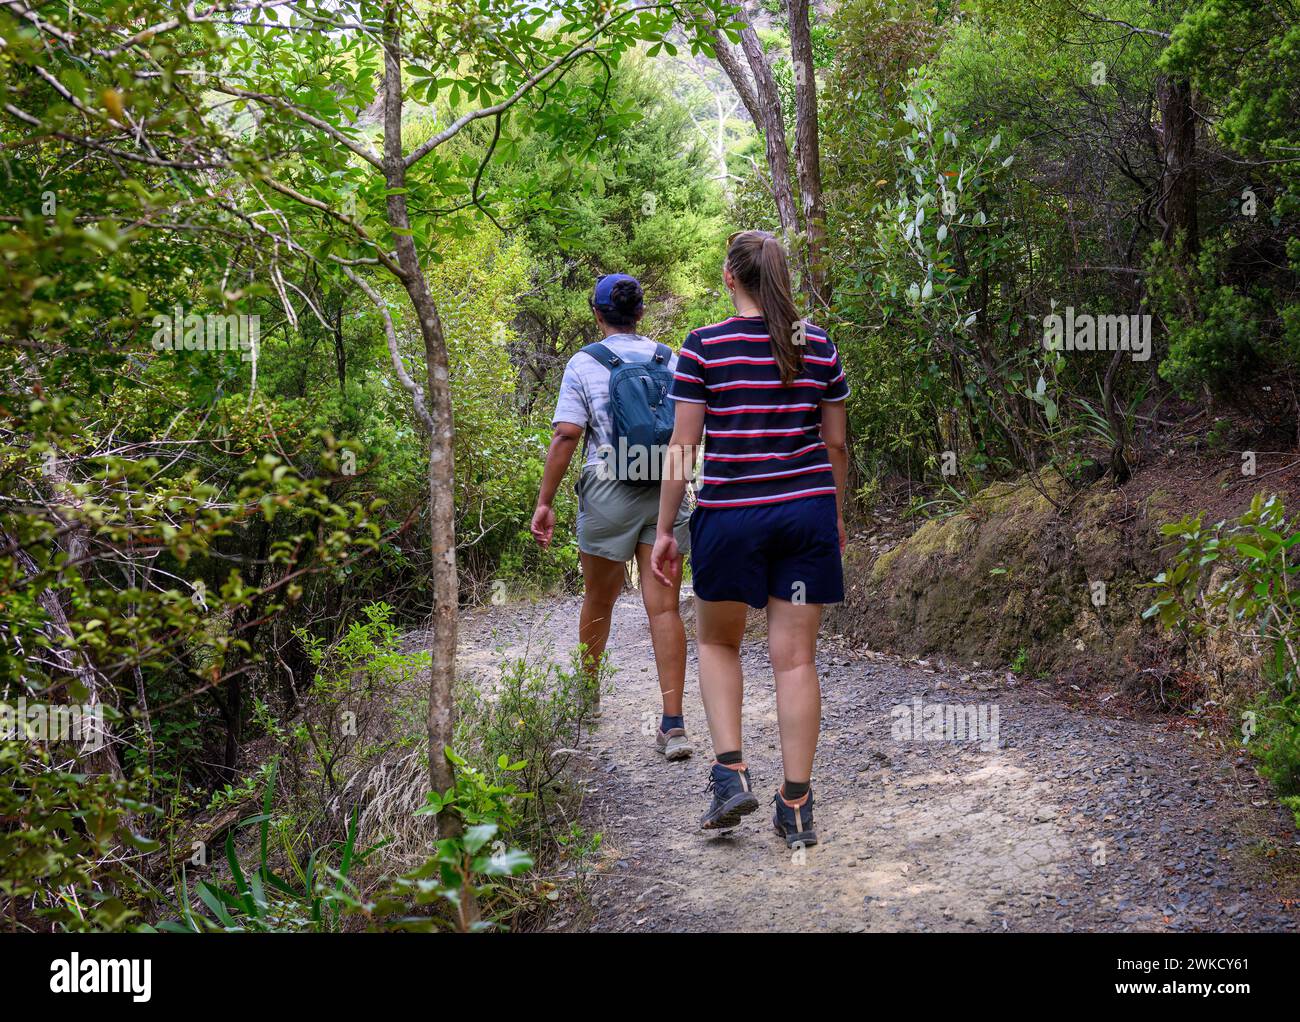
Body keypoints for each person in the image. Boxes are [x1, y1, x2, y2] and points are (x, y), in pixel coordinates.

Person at [650, 231, 849, 848]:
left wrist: (664, 529)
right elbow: (836, 445)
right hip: (805, 515)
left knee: (718, 642)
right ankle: (796, 804)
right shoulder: (817, 344)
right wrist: (833, 512)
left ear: (730, 277)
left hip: (731, 516)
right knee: (795, 660)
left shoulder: (705, 345)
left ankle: (730, 771)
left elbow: (683, 447)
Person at [531, 273, 695, 760]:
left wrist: (545, 501)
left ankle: (587, 697)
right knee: (663, 606)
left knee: (599, 597)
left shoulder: (584, 362)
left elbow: (565, 436)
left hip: (609, 486)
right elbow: (691, 431)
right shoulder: (673, 358)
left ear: (597, 314)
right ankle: (673, 724)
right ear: (641, 313)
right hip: (667, 485)